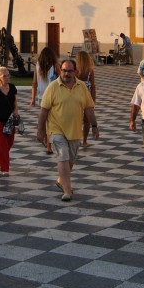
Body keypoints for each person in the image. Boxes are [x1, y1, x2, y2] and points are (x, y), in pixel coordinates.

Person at [37, 59, 98, 202]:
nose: (66, 73)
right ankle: (67, 190)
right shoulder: (52, 87)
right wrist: (40, 130)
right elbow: (43, 111)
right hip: (56, 129)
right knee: (63, 157)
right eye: (64, 70)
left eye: (70, 71)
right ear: (60, 70)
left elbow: (89, 108)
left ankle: (61, 180)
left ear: (76, 72)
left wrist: (94, 126)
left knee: (70, 161)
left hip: (75, 131)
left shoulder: (82, 87)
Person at [77, 50, 98, 147]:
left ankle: (75, 139)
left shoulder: (76, 70)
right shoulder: (90, 71)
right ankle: (84, 141)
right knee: (86, 121)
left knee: (75, 119)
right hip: (87, 98)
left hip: (76, 97)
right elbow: (93, 86)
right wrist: (93, 100)